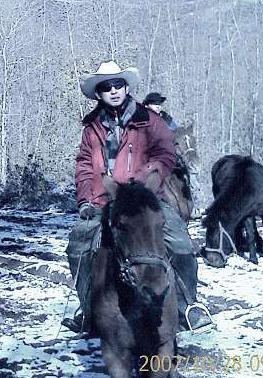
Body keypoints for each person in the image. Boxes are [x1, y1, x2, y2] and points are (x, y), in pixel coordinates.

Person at [62, 61, 213, 335]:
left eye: (118, 84)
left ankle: (188, 306)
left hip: (145, 198)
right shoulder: (91, 128)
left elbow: (166, 154)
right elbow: (85, 165)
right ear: (99, 93)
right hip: (103, 201)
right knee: (78, 245)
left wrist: (141, 183)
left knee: (179, 240)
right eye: (107, 87)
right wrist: (84, 200)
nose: (114, 90)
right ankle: (88, 309)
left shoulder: (150, 120)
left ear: (126, 87)